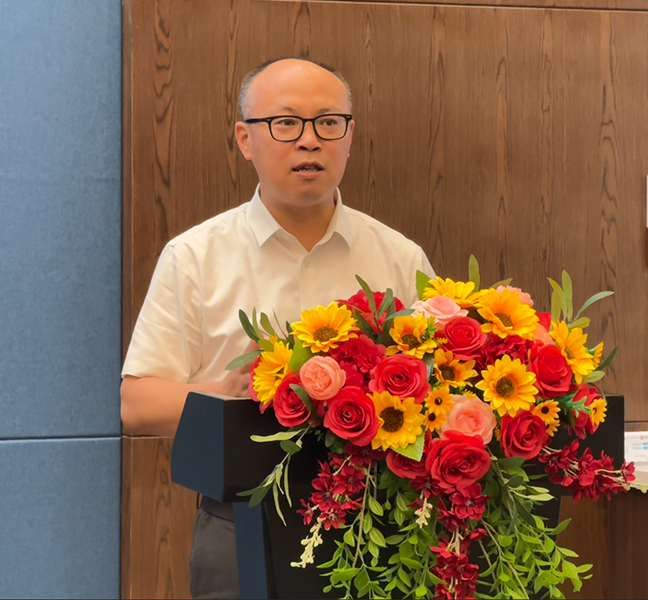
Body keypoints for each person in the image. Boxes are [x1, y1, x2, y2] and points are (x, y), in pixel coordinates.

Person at [120, 57, 436, 599]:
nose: (310, 140)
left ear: (350, 137)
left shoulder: (399, 257)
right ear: (245, 139)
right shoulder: (194, 256)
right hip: (242, 521)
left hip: (379, 523)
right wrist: (226, 392)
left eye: (328, 122)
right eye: (286, 123)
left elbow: (442, 388)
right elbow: (137, 405)